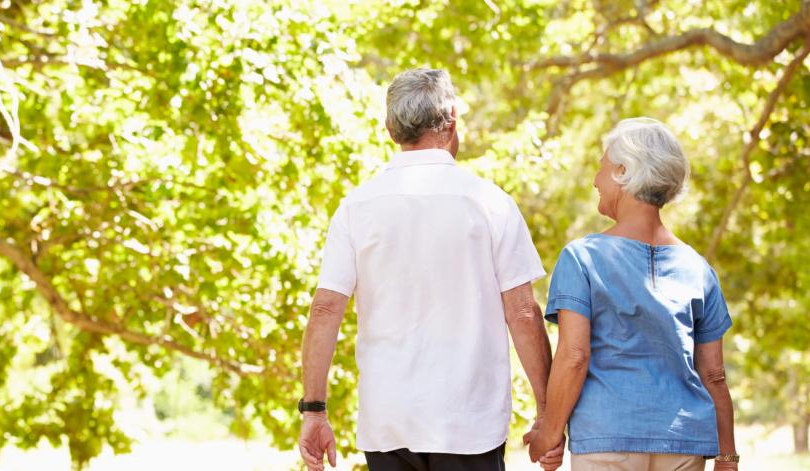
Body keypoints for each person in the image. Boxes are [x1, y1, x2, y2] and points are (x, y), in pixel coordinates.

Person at [297, 67, 562, 471]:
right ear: (452, 120)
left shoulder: (356, 207)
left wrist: (314, 411)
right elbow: (523, 312)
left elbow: (324, 310)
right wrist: (547, 414)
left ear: (390, 129)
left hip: (388, 422)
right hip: (468, 423)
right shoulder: (490, 203)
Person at [525, 118, 739, 470]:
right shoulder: (698, 268)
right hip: (683, 444)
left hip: (607, 441)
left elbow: (574, 356)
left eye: (602, 167)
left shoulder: (583, 257)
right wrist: (727, 457)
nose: (596, 180)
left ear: (623, 171)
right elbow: (713, 374)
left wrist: (549, 433)